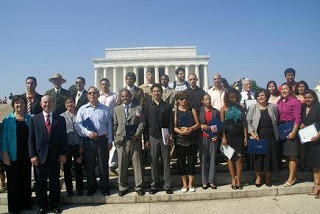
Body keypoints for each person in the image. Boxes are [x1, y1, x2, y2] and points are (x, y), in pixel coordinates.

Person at [28, 95, 67, 214]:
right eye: (45, 102)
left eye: (49, 102)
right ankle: (42, 206)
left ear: (53, 104)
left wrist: (63, 153)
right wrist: (32, 155)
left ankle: (54, 205)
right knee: (40, 183)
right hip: (39, 157)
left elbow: (63, 138)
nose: (47, 104)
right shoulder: (34, 119)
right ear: (41, 104)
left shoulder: (60, 119)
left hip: (55, 157)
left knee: (55, 182)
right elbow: (31, 139)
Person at [75, 86, 113, 196]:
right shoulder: (82, 109)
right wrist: (87, 133)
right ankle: (91, 187)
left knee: (103, 164)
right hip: (88, 140)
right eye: (90, 93)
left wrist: (110, 140)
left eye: (94, 93)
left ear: (98, 95)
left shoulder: (105, 109)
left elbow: (109, 126)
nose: (92, 95)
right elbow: (78, 125)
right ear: (87, 95)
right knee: (89, 165)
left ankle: (105, 187)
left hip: (102, 140)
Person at [1, 95, 32, 213]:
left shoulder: (30, 119)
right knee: (13, 182)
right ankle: (15, 207)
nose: (19, 105)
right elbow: (3, 139)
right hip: (12, 154)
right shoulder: (7, 120)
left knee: (26, 179)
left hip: (26, 155)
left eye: (22, 103)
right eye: (17, 103)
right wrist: (5, 154)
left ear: (25, 105)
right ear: (13, 105)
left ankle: (26, 204)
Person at [113, 89, 145, 197]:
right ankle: (122, 186)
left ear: (130, 96)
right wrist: (116, 137)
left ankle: (139, 186)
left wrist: (137, 135)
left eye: (126, 96)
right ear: (120, 98)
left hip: (134, 140)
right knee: (122, 164)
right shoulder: (116, 109)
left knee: (137, 164)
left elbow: (141, 123)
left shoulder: (138, 108)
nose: (124, 98)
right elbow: (114, 125)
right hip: (121, 141)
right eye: (122, 96)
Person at [143, 83, 173, 195]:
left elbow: (170, 121)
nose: (156, 93)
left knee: (166, 161)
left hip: (164, 136)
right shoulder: (147, 106)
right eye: (154, 91)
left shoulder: (167, 105)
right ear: (151, 93)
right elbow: (145, 123)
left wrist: (170, 135)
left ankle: (167, 185)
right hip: (152, 136)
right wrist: (145, 139)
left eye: (158, 91)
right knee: (153, 161)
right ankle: (154, 184)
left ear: (162, 92)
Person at [246, 89, 280, 187]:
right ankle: (258, 177)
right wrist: (252, 133)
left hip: (271, 137)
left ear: (267, 96)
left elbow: (276, 120)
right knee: (258, 159)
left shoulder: (272, 107)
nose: (260, 97)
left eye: (262, 95)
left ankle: (268, 177)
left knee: (269, 158)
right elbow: (248, 121)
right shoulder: (253, 107)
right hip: (257, 137)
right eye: (258, 96)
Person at [220, 88, 247, 190]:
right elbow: (222, 124)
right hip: (228, 135)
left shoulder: (241, 108)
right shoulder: (224, 108)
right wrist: (223, 137)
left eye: (235, 97)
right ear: (227, 98)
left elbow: (244, 123)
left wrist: (245, 137)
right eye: (231, 97)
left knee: (239, 157)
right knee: (230, 157)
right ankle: (233, 179)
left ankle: (239, 179)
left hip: (239, 135)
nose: (233, 99)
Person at [173, 91, 200, 193]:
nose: (184, 101)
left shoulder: (192, 110)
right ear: (178, 100)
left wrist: (190, 129)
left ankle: (190, 183)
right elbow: (174, 126)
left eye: (185, 99)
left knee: (192, 161)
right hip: (180, 139)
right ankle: (184, 183)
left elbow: (197, 124)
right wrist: (180, 132)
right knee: (181, 162)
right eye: (181, 99)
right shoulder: (175, 111)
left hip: (192, 139)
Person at [277, 82, 301, 187]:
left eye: (286, 89)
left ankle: (291, 178)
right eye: (282, 89)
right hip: (281, 129)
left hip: (290, 129)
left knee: (292, 155)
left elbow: (298, 118)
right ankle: (291, 176)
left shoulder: (295, 101)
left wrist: (294, 132)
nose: (283, 91)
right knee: (286, 155)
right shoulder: (279, 101)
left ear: (290, 90)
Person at [60, 98, 83, 197]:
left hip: (78, 145)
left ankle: (79, 189)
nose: (69, 104)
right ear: (65, 105)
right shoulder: (61, 116)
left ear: (74, 103)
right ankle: (69, 190)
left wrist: (82, 144)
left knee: (79, 167)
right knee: (67, 168)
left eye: (71, 102)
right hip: (67, 146)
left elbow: (84, 130)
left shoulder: (80, 114)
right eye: (67, 103)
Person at [300, 90, 320, 198]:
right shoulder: (303, 107)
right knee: (314, 165)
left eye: (310, 97)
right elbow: (304, 120)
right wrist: (302, 124)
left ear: (314, 97)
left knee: (319, 164)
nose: (307, 99)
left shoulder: (318, 107)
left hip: (317, 139)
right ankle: (316, 185)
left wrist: (318, 135)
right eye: (306, 97)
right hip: (309, 140)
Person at [199, 93, 220, 189]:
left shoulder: (215, 111)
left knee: (212, 159)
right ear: (202, 101)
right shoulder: (199, 111)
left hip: (213, 137)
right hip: (202, 137)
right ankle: (204, 181)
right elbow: (196, 123)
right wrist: (200, 126)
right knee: (203, 159)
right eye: (206, 99)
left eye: (209, 99)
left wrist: (215, 135)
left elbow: (218, 125)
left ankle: (211, 181)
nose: (208, 101)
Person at [99, 78, 118, 174]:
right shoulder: (98, 96)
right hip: (101, 120)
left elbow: (116, 108)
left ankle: (111, 163)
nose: (104, 86)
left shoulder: (114, 96)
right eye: (102, 84)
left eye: (106, 84)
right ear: (100, 85)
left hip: (111, 118)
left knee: (113, 141)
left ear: (109, 85)